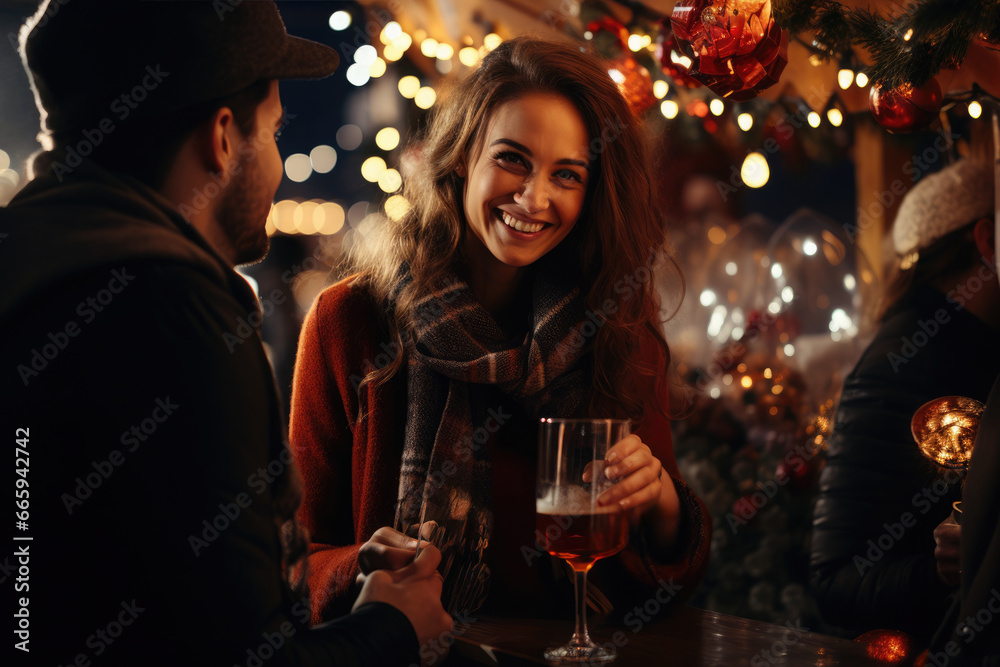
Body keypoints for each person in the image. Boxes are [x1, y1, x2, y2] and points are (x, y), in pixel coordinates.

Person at [0, 2, 450, 665]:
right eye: (271, 130)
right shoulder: (177, 312)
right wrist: (392, 621)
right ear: (220, 137)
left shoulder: (33, 266)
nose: (276, 159)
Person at [289, 36, 710, 625]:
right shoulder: (351, 322)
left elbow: (668, 584)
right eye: (512, 158)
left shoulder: (617, 321)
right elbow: (290, 562)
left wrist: (664, 507)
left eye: (566, 174)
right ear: (462, 156)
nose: (533, 197)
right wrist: (359, 569)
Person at [810, 158, 1000, 641]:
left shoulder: (972, 346)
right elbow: (837, 581)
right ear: (987, 243)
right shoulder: (903, 366)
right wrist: (943, 570)